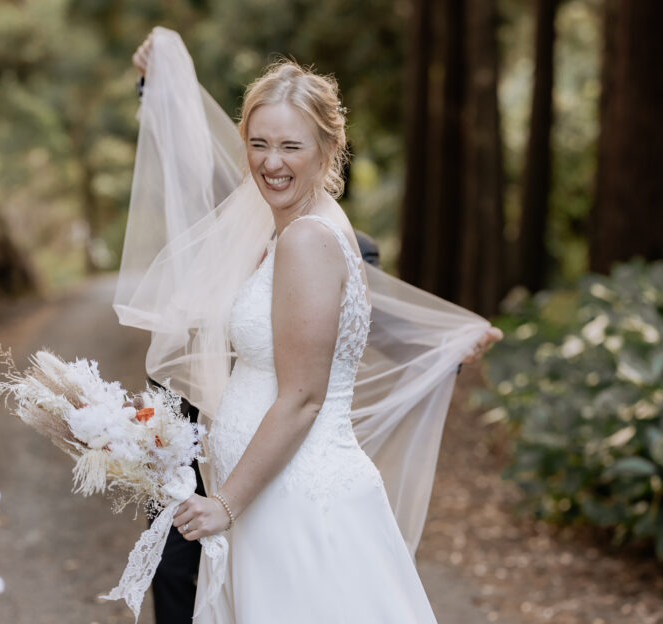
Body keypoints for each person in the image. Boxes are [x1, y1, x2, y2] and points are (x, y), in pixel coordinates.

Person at [115, 29, 500, 623]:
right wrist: (161, 92)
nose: (271, 162)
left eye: (291, 147)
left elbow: (301, 397)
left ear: (327, 148)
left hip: (294, 503)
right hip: (270, 499)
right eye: (259, 143)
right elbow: (200, 178)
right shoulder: (295, 223)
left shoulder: (307, 239)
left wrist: (226, 503)